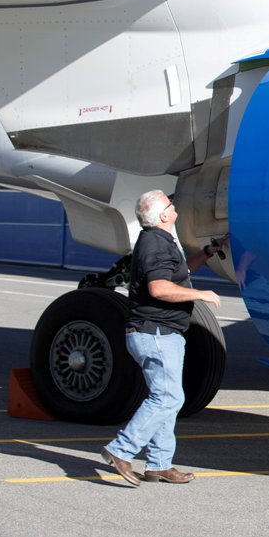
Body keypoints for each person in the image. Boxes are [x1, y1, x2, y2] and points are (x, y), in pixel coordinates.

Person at [100, 189, 225, 486]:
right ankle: (121, 450)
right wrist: (201, 294)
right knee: (168, 397)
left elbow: (177, 274)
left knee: (166, 397)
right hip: (154, 332)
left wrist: (208, 253)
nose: (174, 202)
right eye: (170, 202)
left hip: (163, 332)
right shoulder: (155, 243)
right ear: (164, 215)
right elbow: (159, 288)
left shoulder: (162, 240)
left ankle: (159, 464)